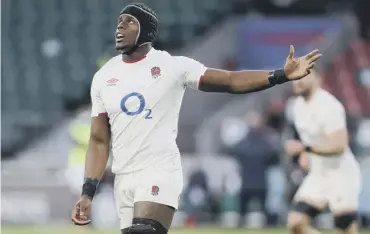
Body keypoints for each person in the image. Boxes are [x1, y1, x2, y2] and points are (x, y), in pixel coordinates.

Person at [70, 2, 321, 234]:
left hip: (159, 171)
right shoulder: (104, 77)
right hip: (123, 179)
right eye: (119, 21)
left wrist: (280, 75)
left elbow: (231, 81)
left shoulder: (172, 66)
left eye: (129, 21)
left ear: (146, 30)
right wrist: (87, 193)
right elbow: (99, 140)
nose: (120, 26)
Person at [284, 70, 362, 234]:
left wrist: (305, 149)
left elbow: (339, 146)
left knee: (344, 228)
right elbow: (308, 137)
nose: (297, 81)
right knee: (296, 223)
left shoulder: (329, 106)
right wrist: (305, 154)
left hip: (341, 174)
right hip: (319, 174)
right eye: (295, 77)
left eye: (303, 77)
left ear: (317, 79)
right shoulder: (298, 106)